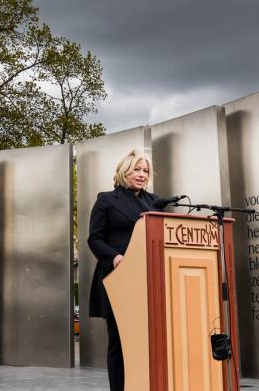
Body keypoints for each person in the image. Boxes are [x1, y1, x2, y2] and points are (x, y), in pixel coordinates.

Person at [87, 149, 159, 391]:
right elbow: (94, 239)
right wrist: (115, 257)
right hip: (119, 279)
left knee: (149, 341)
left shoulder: (154, 202)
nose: (141, 174)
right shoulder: (106, 200)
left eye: (145, 171)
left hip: (151, 279)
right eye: (136, 169)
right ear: (123, 171)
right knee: (120, 341)